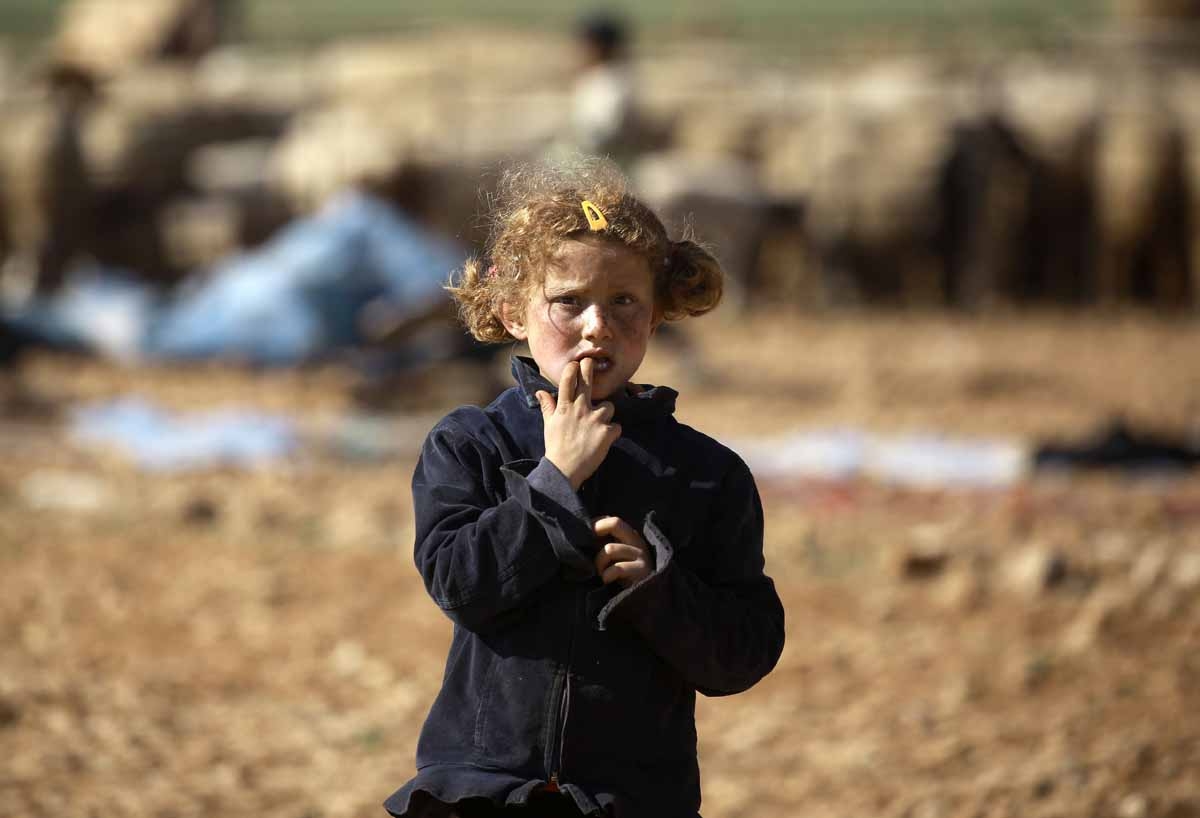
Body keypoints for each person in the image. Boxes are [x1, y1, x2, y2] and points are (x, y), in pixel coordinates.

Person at [383, 157, 785, 818]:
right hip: (482, 792)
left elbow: (745, 652)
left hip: (630, 800)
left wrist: (660, 588)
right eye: (568, 301)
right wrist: (554, 482)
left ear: (655, 315)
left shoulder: (706, 475)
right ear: (513, 310)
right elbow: (458, 581)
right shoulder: (471, 445)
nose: (597, 326)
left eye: (623, 301)